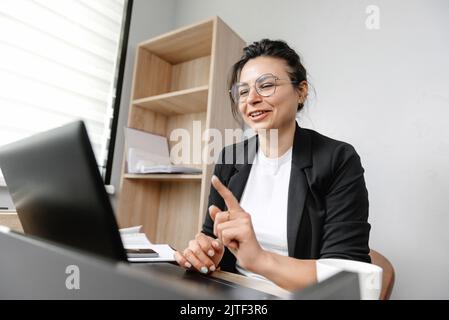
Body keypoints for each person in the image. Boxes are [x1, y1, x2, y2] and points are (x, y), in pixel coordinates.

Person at [174, 39, 371, 291]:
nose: (252, 99)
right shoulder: (230, 157)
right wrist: (209, 255)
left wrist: (260, 260)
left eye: (266, 86)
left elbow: (347, 276)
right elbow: (212, 238)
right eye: (243, 91)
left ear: (301, 91)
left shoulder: (338, 159)